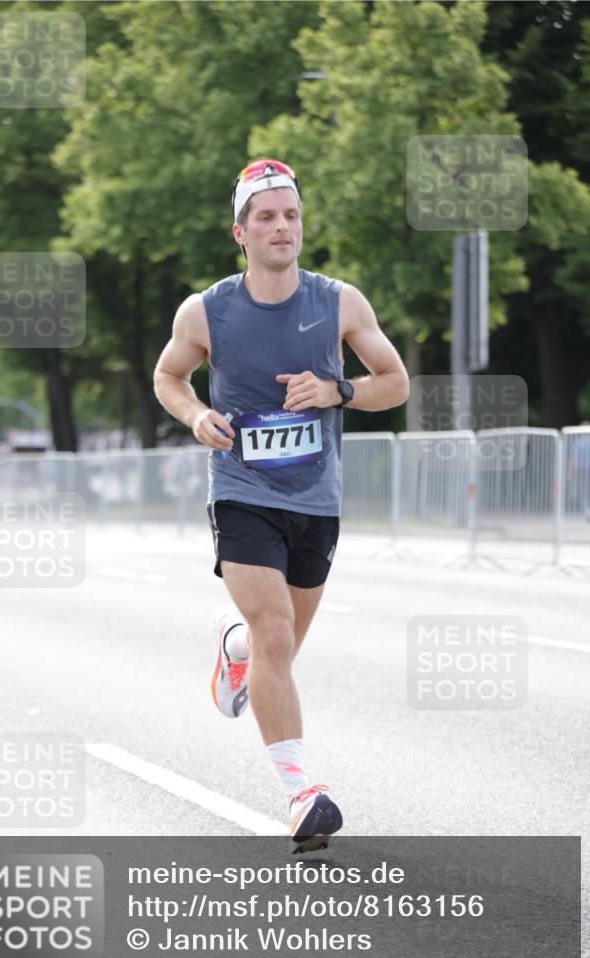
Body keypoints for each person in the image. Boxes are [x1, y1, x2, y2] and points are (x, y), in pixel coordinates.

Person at [154, 159, 410, 852]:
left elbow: (394, 382)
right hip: (242, 492)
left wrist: (338, 392)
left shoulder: (339, 302)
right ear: (241, 231)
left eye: (290, 215)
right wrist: (195, 415)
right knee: (274, 633)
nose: (281, 227)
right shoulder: (206, 310)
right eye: (265, 217)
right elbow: (168, 375)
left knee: (279, 644)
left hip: (315, 497)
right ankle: (301, 793)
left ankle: (232, 648)